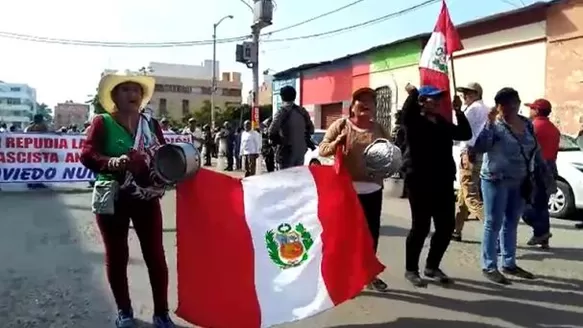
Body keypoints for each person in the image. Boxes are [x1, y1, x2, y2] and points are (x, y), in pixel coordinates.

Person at [80, 73, 175, 327]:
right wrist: (111, 162)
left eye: (136, 90)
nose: (132, 95)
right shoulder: (101, 122)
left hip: (145, 198)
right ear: (114, 96)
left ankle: (162, 313)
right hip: (111, 195)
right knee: (117, 254)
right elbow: (87, 154)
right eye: (125, 90)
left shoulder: (151, 124)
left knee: (155, 255)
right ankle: (124, 312)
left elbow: (164, 156)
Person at [473, 87, 552, 285]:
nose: (504, 109)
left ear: (515, 104)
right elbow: (481, 147)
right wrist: (489, 123)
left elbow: (535, 148)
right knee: (493, 223)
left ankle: (509, 263)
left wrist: (543, 172)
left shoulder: (526, 123)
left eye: (508, 104)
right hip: (495, 180)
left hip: (520, 180)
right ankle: (489, 265)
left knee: (511, 223)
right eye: (501, 106)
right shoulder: (495, 124)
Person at [319, 87, 391, 292]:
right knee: (346, 235)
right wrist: (336, 142)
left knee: (370, 236)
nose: (366, 104)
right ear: (352, 106)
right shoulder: (342, 125)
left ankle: (369, 274)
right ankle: (344, 276)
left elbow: (389, 155)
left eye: (371, 101)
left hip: (373, 190)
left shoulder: (379, 129)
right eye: (361, 100)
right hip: (347, 191)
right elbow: (322, 150)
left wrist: (388, 164)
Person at [401, 84, 471, 287]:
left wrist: (459, 111)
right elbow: (406, 113)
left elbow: (464, 134)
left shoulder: (441, 121)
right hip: (419, 180)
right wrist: (413, 94)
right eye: (434, 98)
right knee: (420, 227)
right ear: (423, 101)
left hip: (443, 180)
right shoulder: (414, 120)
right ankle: (411, 269)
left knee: (446, 227)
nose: (439, 102)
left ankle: (432, 266)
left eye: (440, 99)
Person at [452, 82, 489, 242]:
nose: (464, 96)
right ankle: (456, 230)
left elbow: (460, 129)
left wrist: (457, 111)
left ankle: (494, 228)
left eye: (467, 93)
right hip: (479, 153)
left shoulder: (473, 109)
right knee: (464, 194)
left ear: (475, 94)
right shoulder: (486, 109)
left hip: (469, 152)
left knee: (470, 195)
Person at [522, 98, 560, 248]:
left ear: (537, 111)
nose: (529, 111)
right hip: (551, 168)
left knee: (525, 205)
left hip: (536, 168)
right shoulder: (554, 129)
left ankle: (540, 231)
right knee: (542, 205)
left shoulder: (532, 127)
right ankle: (543, 239)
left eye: (531, 108)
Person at [268, 86, 315, 169]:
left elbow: (271, 131)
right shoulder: (302, 111)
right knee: (297, 178)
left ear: (282, 97)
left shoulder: (281, 112)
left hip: (286, 153)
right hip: (300, 152)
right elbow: (311, 129)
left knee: (285, 179)